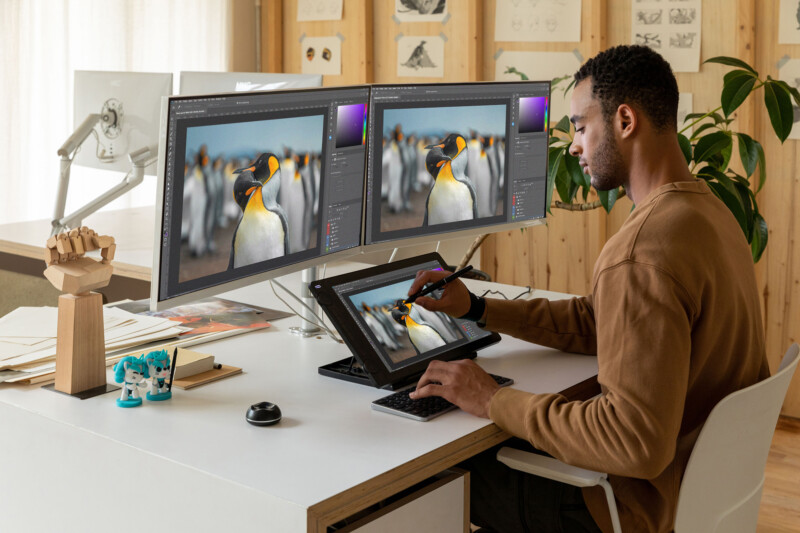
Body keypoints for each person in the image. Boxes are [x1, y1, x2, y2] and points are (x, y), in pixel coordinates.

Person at [407, 45, 769, 533]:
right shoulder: (710, 213)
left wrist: (492, 399)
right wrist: (476, 307)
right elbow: (602, 321)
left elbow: (633, 443)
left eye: (579, 126)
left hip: (625, 510)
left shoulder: (640, 253)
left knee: (427, 476)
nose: (574, 146)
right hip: (697, 494)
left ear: (624, 120)